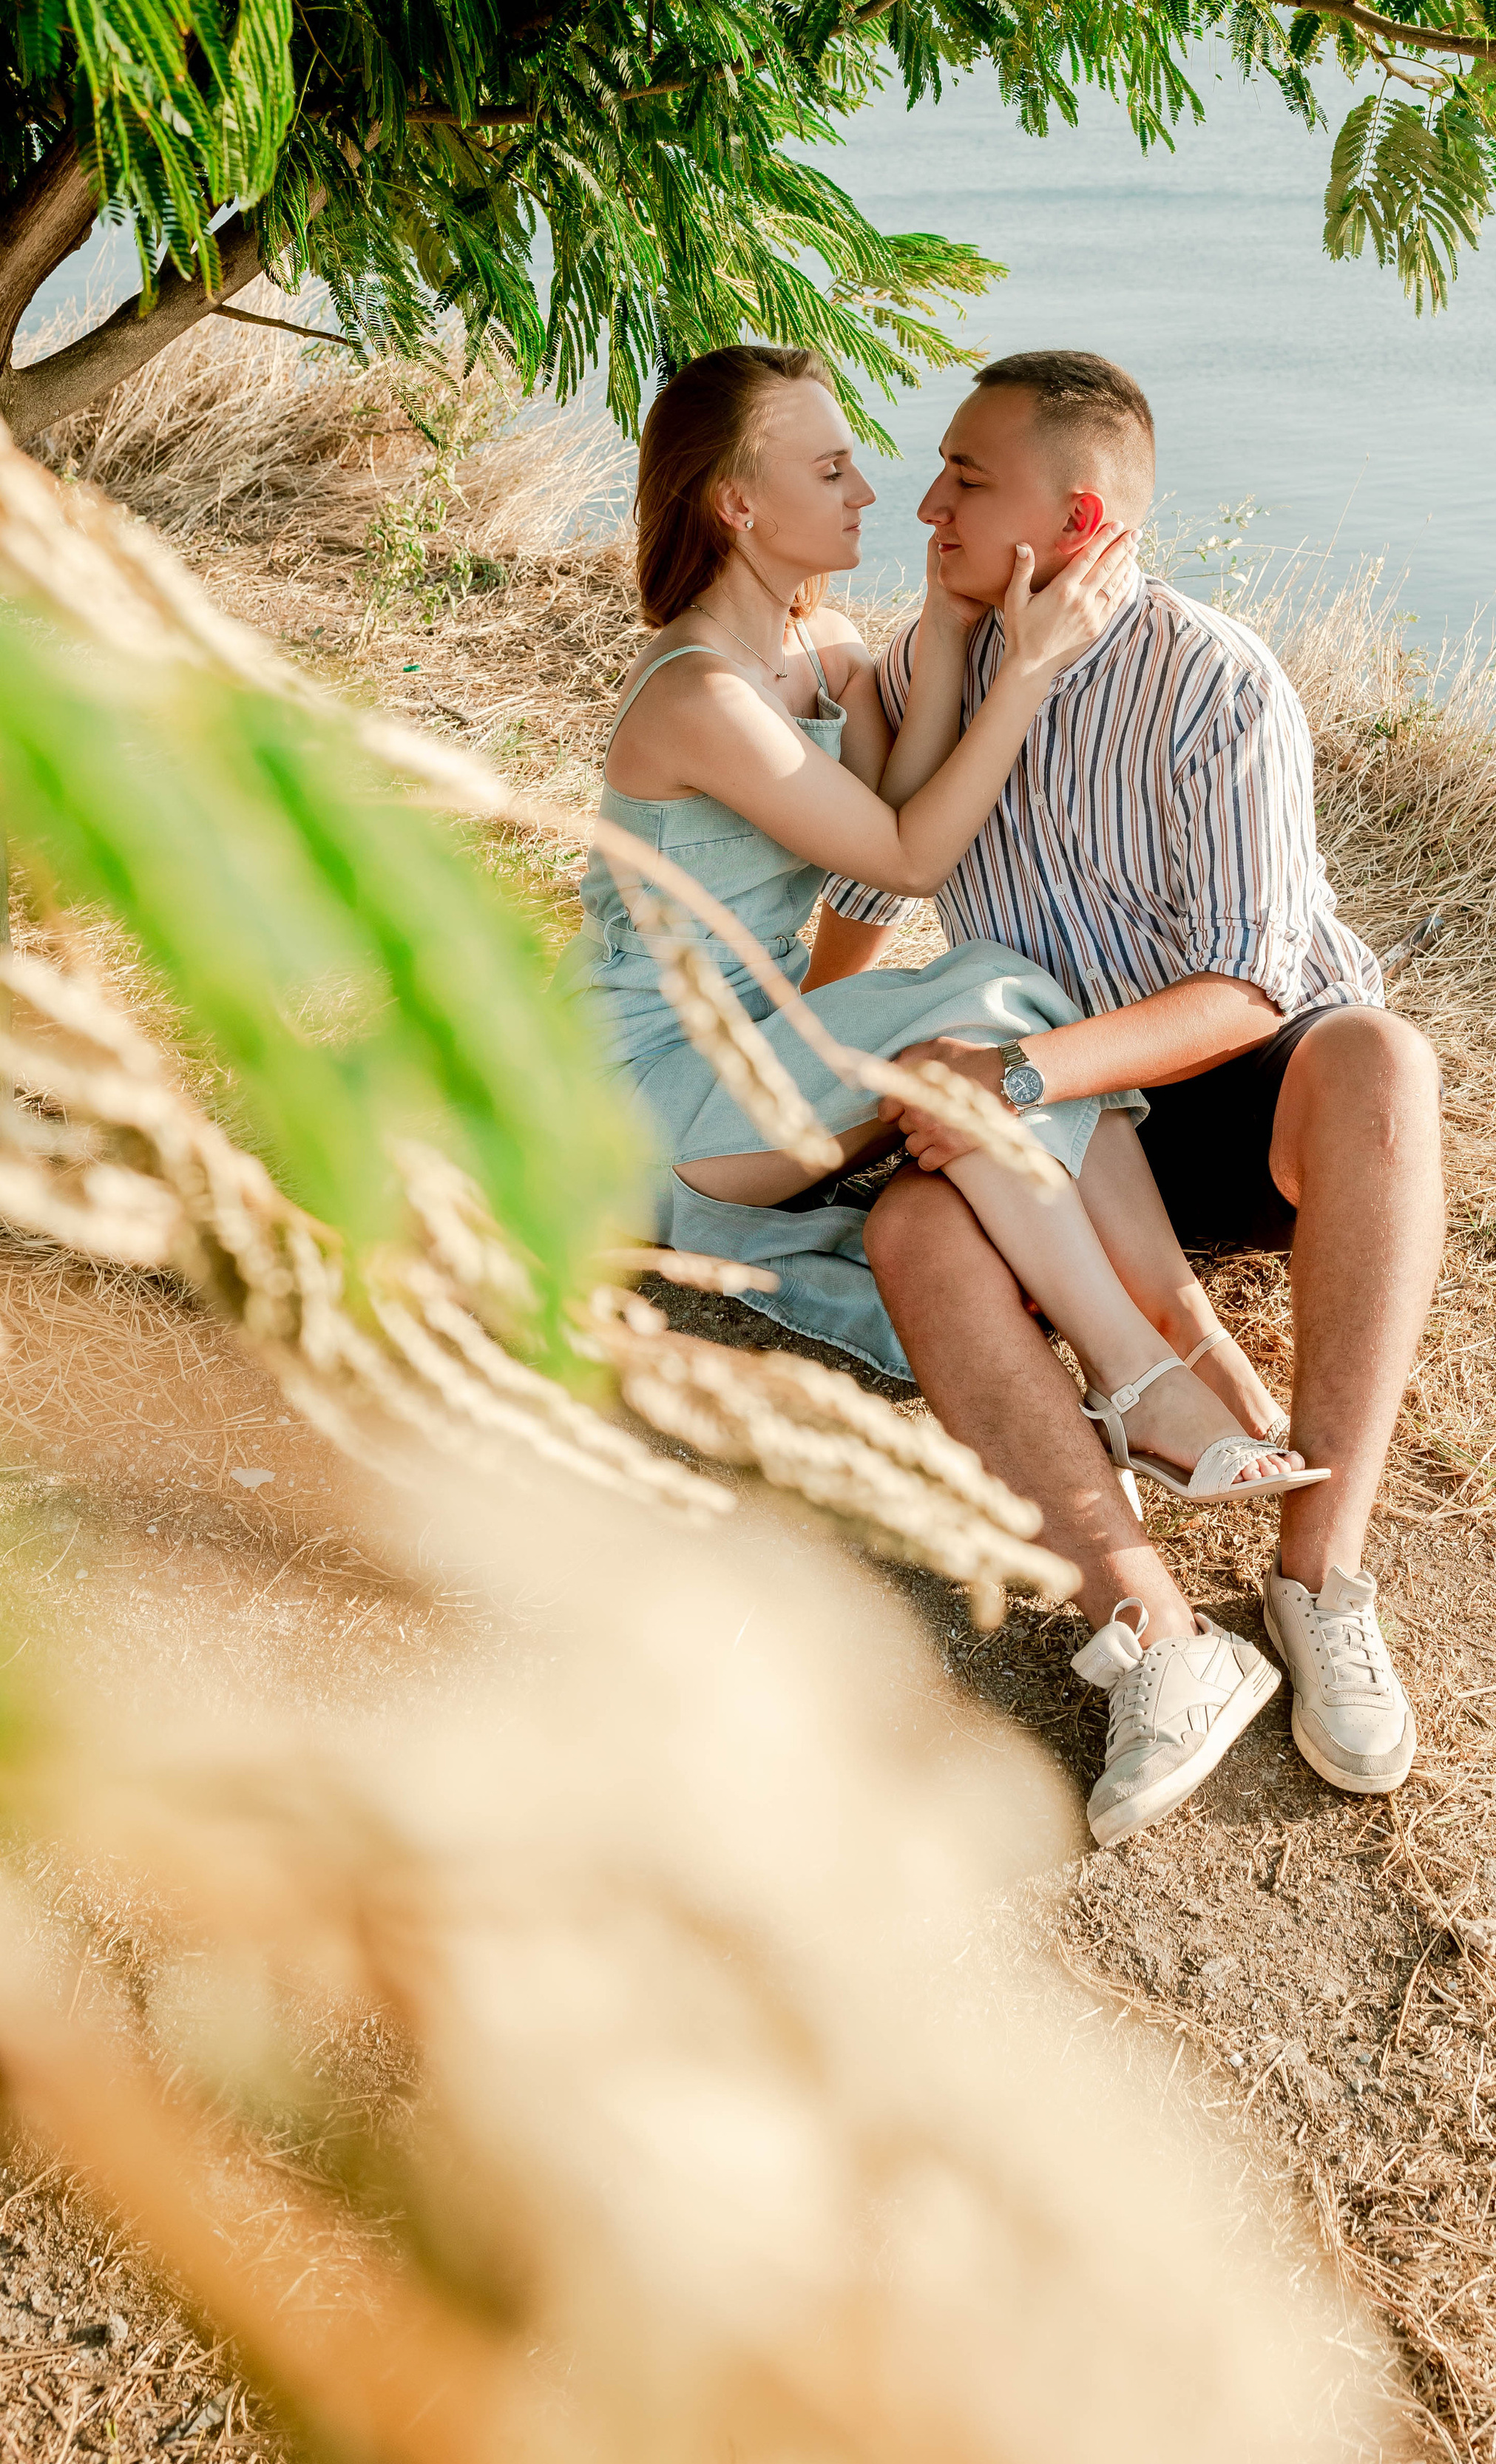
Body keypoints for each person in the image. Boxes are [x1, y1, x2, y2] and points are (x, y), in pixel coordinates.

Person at [572, 344, 1336, 1839]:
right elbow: (919, 866)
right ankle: (1151, 1380)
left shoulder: (825, 652)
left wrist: (932, 620)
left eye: (885, 466)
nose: (885, 492)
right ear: (735, 507)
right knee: (988, 975)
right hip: (653, 1092)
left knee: (983, 1014)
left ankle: (1172, 1378)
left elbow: (881, 830)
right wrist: (1032, 669)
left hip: (750, 1062)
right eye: (832, 467)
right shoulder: (699, 695)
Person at [811, 350, 1446, 1815]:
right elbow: (875, 869)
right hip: (1059, 1150)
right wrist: (802, 1053)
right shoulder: (925, 666)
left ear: (1077, 515)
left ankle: (1319, 1575)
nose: (925, 503)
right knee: (910, 1234)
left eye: (967, 481)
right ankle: (1153, 1636)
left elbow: (1244, 988)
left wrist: (1019, 1074)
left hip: (1223, 1089)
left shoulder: (1210, 679)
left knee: (1380, 1061)